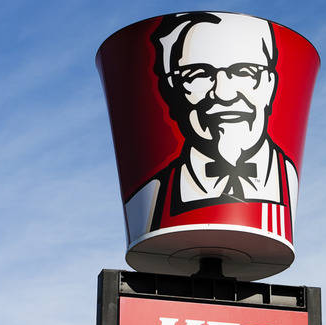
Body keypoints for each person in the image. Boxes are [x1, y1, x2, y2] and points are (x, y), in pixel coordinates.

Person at [124, 12, 298, 243]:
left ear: (269, 85)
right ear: (172, 92)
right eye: (199, 75)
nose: (224, 94)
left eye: (244, 72)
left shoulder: (290, 181)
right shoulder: (148, 200)